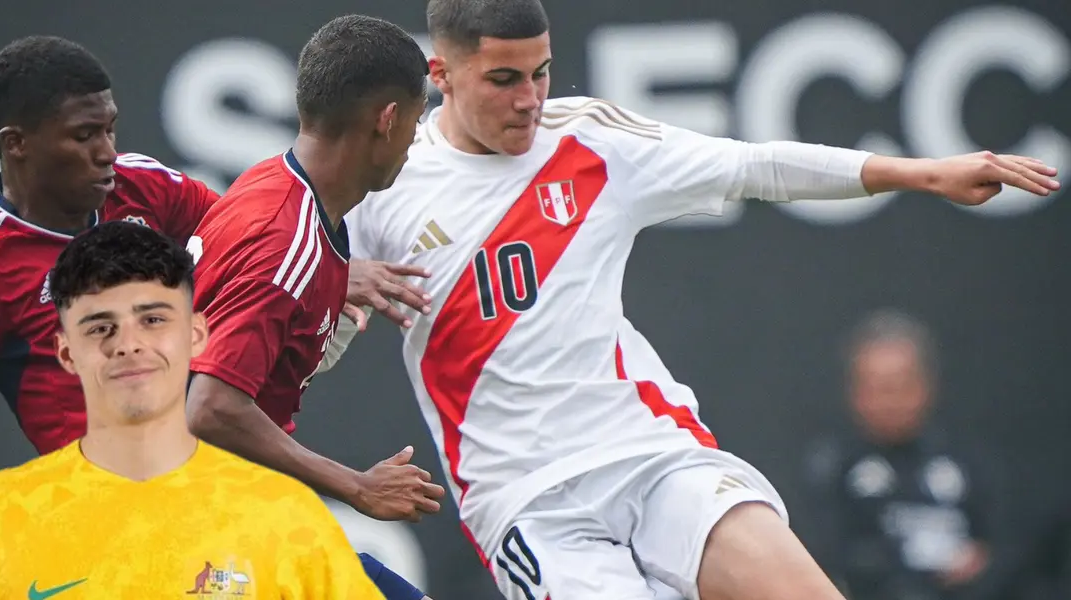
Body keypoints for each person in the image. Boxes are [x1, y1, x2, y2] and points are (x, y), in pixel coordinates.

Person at [330, 0, 1063, 598]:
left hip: (652, 455)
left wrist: (927, 174)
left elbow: (756, 166)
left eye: (541, 73)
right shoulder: (383, 186)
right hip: (530, 501)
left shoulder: (589, 139)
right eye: (503, 79)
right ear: (441, 75)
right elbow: (310, 339)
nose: (529, 100)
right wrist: (337, 292)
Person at [0, 35, 430, 578]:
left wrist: (329, 272)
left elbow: (250, 242)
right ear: (18, 143)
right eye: (85, 135)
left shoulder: (140, 184)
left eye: (110, 128)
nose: (107, 152)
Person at [0, 220, 386, 598]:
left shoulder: (285, 524)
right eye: (100, 327)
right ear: (66, 352)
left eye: (153, 321)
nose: (128, 346)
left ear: (196, 336)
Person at [185, 15, 440, 600]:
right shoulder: (286, 243)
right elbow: (211, 409)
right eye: (417, 118)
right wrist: (357, 486)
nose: (417, 138)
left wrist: (329, 284)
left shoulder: (273, 189)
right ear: (387, 119)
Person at [799, 310, 1016, 600]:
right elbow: (827, 554)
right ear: (854, 391)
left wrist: (982, 565)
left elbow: (1003, 542)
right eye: (876, 388)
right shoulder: (833, 467)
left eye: (900, 386)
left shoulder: (965, 462)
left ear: (926, 386)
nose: (889, 401)